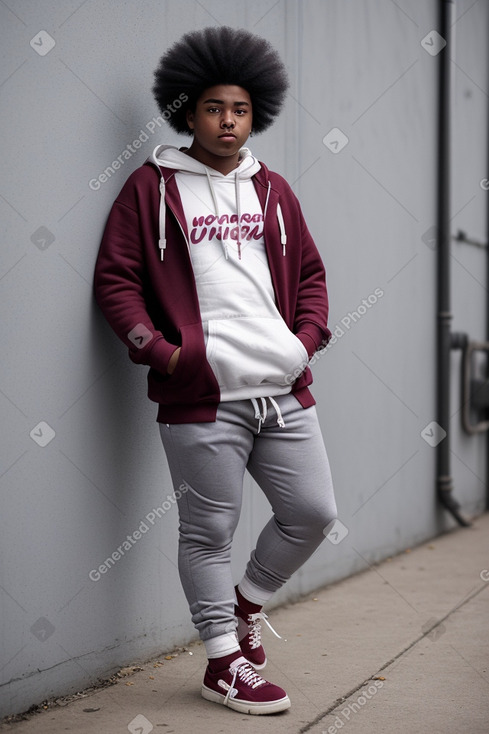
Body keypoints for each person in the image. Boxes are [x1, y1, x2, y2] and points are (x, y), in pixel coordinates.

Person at [94, 25, 337, 716]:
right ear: (187, 112)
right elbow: (116, 282)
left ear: (253, 112)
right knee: (207, 533)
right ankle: (222, 663)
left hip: (282, 387)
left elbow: (312, 275)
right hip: (202, 396)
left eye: (238, 109)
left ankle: (244, 605)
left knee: (313, 514)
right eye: (211, 108)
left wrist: (305, 341)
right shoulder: (152, 189)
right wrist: (165, 353)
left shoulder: (275, 190)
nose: (227, 121)